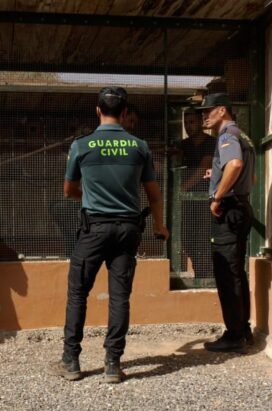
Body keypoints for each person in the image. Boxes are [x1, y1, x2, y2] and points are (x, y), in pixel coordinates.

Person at [49, 87, 169, 383]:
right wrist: (159, 225)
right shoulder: (140, 147)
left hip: (94, 229)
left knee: (78, 292)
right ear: (126, 113)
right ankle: (113, 364)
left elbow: (68, 191)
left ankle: (71, 361)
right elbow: (153, 194)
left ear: (97, 110)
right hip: (128, 230)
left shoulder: (81, 146)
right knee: (120, 297)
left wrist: (89, 194)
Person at [195, 93, 256, 353]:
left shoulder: (227, 135)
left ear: (222, 110)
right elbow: (249, 178)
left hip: (229, 210)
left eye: (208, 111)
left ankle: (234, 335)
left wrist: (218, 196)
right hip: (242, 206)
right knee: (237, 271)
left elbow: (235, 163)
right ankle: (243, 329)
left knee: (226, 272)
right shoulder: (242, 135)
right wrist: (217, 174)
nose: (204, 116)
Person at [178, 109, 215, 279]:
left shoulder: (211, 142)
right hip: (187, 202)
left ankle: (207, 275)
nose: (188, 126)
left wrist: (183, 188)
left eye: (192, 122)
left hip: (204, 198)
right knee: (186, 238)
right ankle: (200, 272)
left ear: (200, 122)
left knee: (203, 237)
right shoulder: (183, 145)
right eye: (186, 123)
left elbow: (204, 166)